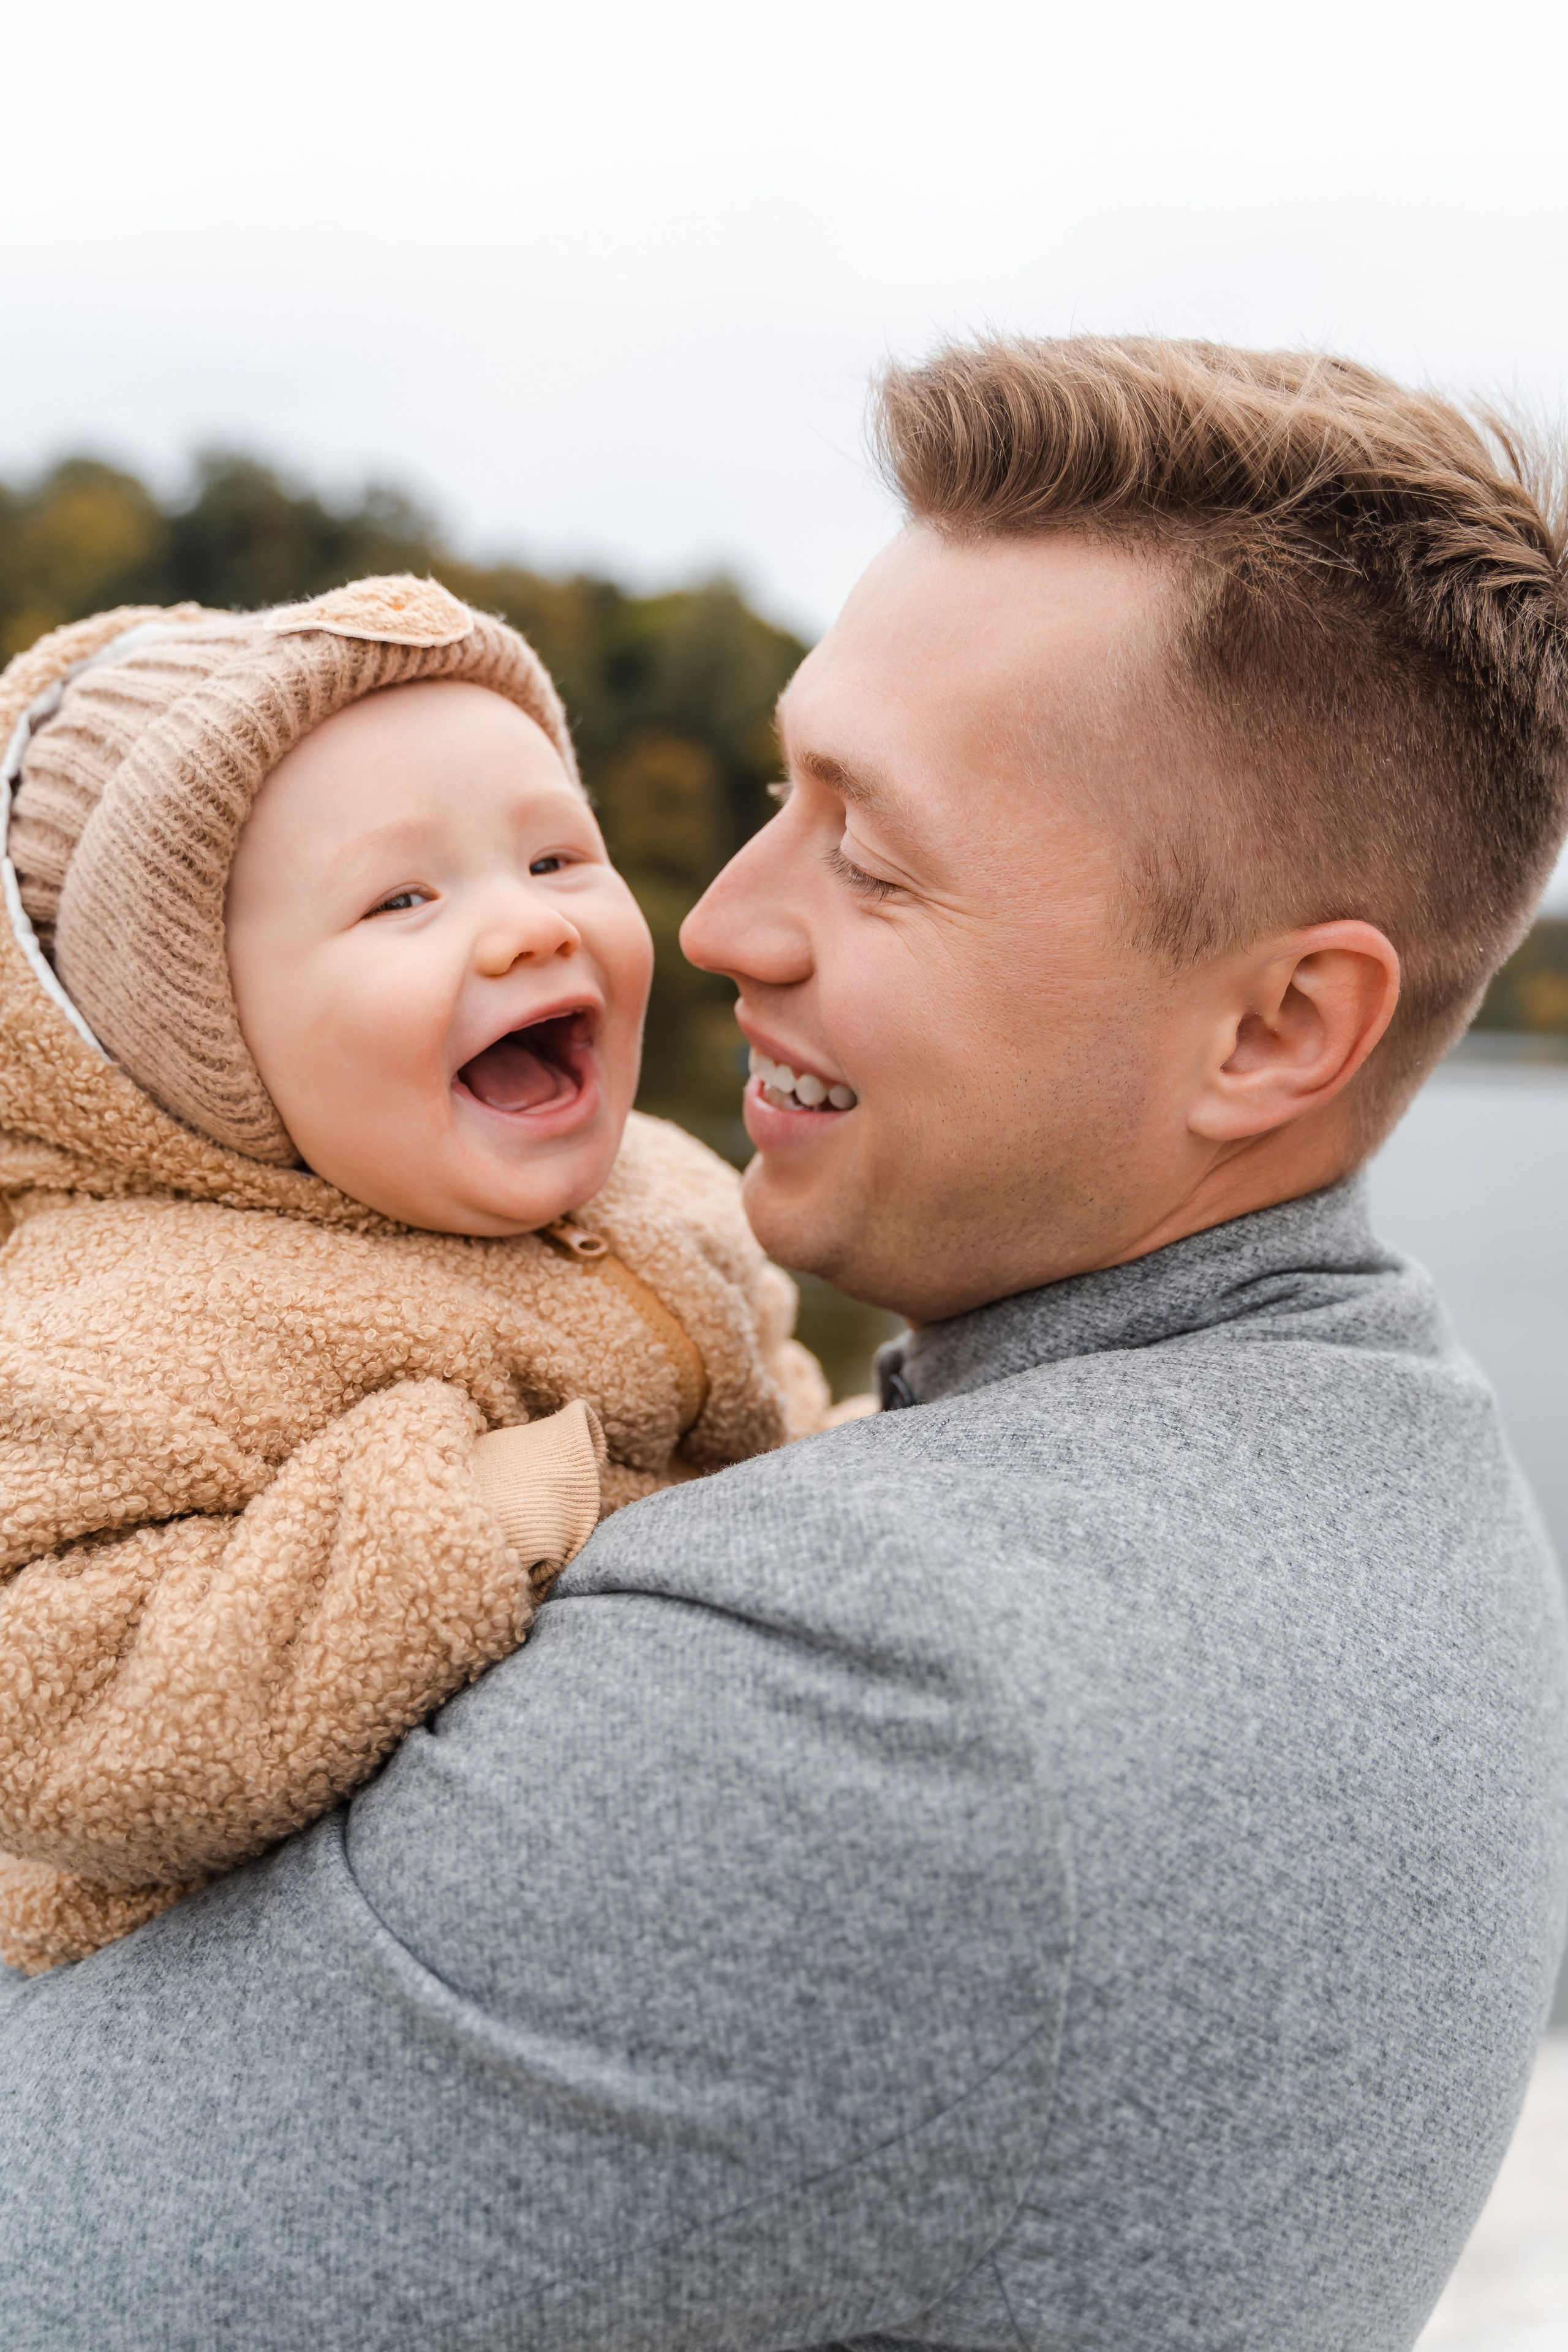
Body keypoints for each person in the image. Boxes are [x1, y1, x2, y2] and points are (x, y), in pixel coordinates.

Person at [2, 337, 1567, 2352]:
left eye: (875, 855)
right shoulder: (1410, 1490)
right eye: (776, 795)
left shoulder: (867, 1685)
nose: (724, 924)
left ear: (1276, 1031)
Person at [0, 573, 825, 1975]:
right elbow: (51, 1700)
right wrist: (467, 1510)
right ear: (195, 1032)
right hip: (265, 1995)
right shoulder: (119, 1323)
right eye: (400, 898)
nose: (528, 927)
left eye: (558, 859)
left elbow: (776, 1407)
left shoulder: (664, 1183)